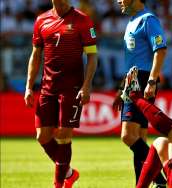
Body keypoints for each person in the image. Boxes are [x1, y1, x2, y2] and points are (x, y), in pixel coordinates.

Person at [24, 0, 98, 187]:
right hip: (47, 86)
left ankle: (59, 184)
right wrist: (28, 86)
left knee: (64, 135)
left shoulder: (82, 20)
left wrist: (87, 85)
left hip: (72, 87)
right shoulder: (42, 20)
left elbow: (92, 56)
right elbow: (35, 55)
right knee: (42, 136)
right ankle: (69, 173)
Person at [113, 0, 168, 187]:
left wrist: (152, 80)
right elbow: (132, 60)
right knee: (140, 138)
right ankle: (143, 184)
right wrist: (122, 88)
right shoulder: (132, 21)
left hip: (143, 80)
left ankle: (160, 177)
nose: (118, 1)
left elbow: (160, 50)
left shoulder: (148, 20)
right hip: (132, 79)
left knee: (127, 136)